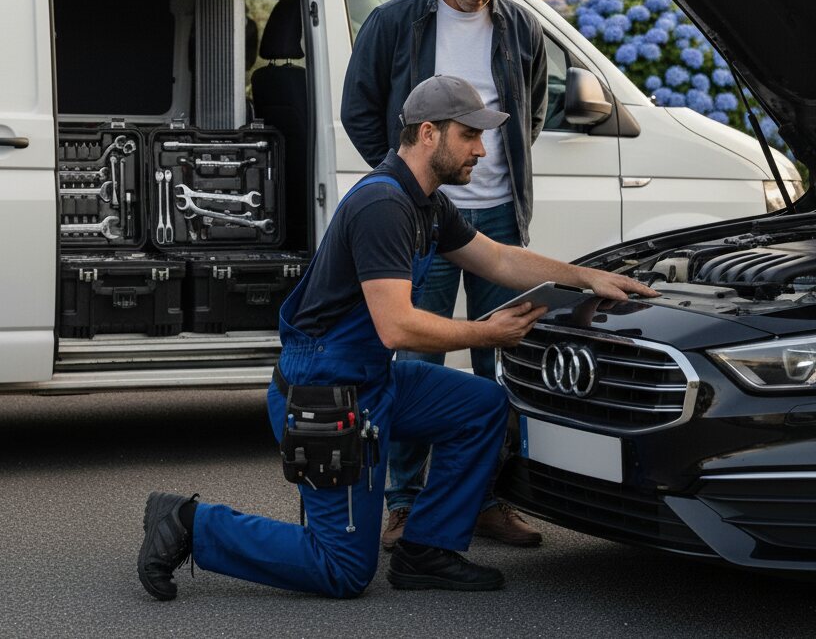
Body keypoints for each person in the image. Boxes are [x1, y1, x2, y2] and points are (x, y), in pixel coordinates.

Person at [137, 75, 655, 601]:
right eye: (469, 135)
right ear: (429, 133)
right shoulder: (383, 206)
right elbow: (397, 326)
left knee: (481, 406)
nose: (481, 150)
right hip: (325, 393)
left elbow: (497, 258)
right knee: (341, 569)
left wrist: (586, 277)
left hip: (371, 380)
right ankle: (189, 522)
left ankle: (427, 549)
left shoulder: (426, 202)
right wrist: (488, 334)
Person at [341, 0, 549, 549]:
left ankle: (486, 500)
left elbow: (532, 111)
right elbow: (358, 108)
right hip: (425, 220)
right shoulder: (394, 21)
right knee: (417, 359)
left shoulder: (522, 27)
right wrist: (413, 185)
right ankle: (404, 504)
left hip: (499, 215)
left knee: (501, 363)